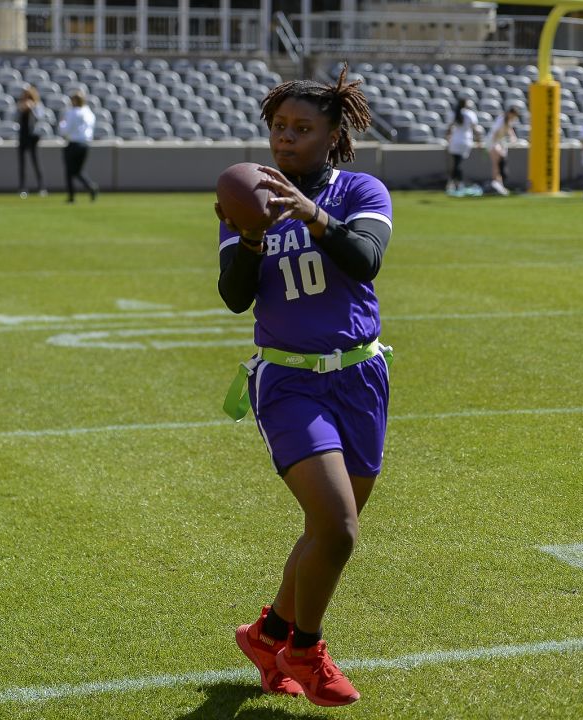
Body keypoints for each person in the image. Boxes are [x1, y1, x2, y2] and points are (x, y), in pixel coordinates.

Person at [215, 66, 392, 708]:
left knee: (325, 530)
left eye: (300, 128)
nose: (284, 140)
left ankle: (266, 633)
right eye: (278, 128)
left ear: (333, 132)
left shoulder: (360, 189)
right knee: (339, 529)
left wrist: (314, 215)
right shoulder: (247, 197)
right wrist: (254, 237)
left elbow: (365, 259)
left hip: (362, 377)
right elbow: (235, 297)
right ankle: (306, 651)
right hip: (289, 381)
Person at [58, 91, 98, 203]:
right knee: (78, 171)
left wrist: (62, 125)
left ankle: (71, 197)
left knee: (69, 172)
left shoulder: (72, 112)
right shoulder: (89, 113)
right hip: (85, 144)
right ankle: (90, 187)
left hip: (74, 143)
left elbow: (66, 129)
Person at [444, 97, 481, 195]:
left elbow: (449, 128)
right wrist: (479, 141)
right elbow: (476, 129)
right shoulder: (470, 114)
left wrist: (447, 138)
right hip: (465, 141)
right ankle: (457, 184)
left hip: (455, 140)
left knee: (456, 163)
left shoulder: (453, 113)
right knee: (458, 164)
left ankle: (453, 183)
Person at [16, 85, 47, 198]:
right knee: (22, 164)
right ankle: (22, 188)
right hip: (23, 136)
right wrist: (22, 108)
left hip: (33, 137)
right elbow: (15, 118)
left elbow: (40, 117)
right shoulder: (20, 105)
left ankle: (42, 187)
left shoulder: (37, 105)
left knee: (36, 162)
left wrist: (32, 108)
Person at [486, 106, 519, 196]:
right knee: (496, 163)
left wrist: (513, 137)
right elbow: (495, 133)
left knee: (500, 161)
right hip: (493, 142)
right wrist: (496, 145)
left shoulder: (508, 121)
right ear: (510, 113)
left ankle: (499, 184)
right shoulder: (501, 120)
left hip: (499, 142)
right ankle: (495, 183)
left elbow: (509, 130)